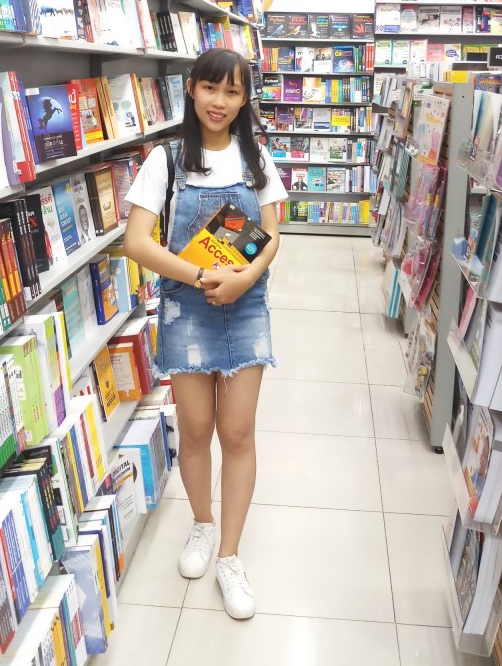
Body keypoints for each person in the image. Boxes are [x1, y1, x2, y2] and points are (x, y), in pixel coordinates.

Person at [124, 49, 287, 620]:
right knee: (195, 431)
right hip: (186, 309)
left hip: (245, 306)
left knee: (237, 433)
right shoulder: (164, 161)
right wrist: (200, 276)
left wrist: (243, 279)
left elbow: (272, 234)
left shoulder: (255, 157)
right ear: (191, 89)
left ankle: (229, 555)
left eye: (233, 92)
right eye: (211, 88)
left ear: (244, 100)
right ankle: (201, 523)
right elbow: (137, 242)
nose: (220, 102)